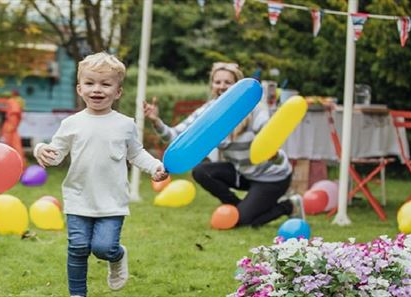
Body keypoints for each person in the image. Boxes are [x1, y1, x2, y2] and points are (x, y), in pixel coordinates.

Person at [34, 52, 168, 297]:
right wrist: (41, 149)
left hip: (112, 200)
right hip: (78, 196)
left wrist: (155, 167)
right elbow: (56, 152)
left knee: (104, 247)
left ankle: (117, 255)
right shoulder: (71, 123)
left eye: (105, 84)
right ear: (79, 88)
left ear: (117, 92)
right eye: (90, 83)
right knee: (77, 247)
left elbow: (136, 153)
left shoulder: (125, 124)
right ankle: (77, 294)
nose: (97, 89)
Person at [143, 62, 302, 227]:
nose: (222, 86)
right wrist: (157, 122)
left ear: (237, 86)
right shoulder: (208, 112)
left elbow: (269, 138)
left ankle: (290, 206)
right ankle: (236, 206)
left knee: (242, 222)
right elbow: (176, 138)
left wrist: (273, 155)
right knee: (201, 171)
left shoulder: (254, 110)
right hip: (243, 173)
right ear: (212, 85)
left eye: (228, 82)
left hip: (271, 176)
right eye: (217, 82)